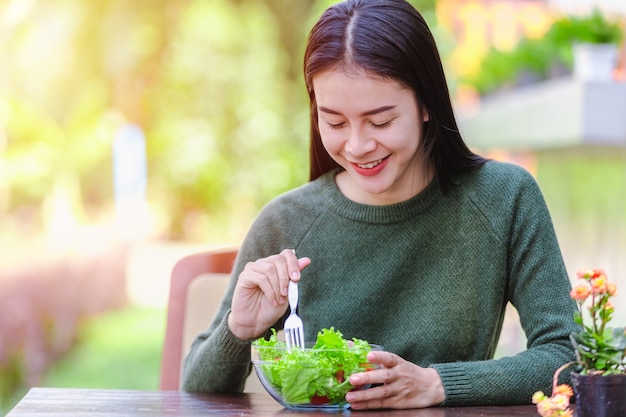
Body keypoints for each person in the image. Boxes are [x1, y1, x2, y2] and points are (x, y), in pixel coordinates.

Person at [181, 0, 579, 410]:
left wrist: (437, 384)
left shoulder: (503, 197)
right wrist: (240, 330)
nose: (357, 146)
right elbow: (196, 388)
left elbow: (568, 356)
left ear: (426, 104)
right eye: (334, 122)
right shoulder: (286, 222)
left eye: (381, 121)